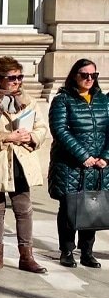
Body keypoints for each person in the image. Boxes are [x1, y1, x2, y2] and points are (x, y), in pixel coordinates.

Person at [0, 56, 49, 273]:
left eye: (20, 77)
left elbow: (42, 128)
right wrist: (6, 136)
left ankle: (27, 256)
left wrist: (30, 136)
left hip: (21, 160)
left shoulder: (28, 101)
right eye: (11, 78)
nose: (17, 82)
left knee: (24, 210)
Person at [48, 59, 109, 268]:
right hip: (70, 166)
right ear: (75, 75)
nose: (89, 79)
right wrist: (83, 155)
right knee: (69, 209)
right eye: (84, 75)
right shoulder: (62, 100)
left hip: (97, 166)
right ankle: (66, 250)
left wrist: (105, 157)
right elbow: (60, 130)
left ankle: (87, 251)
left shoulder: (104, 100)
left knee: (92, 208)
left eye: (93, 75)